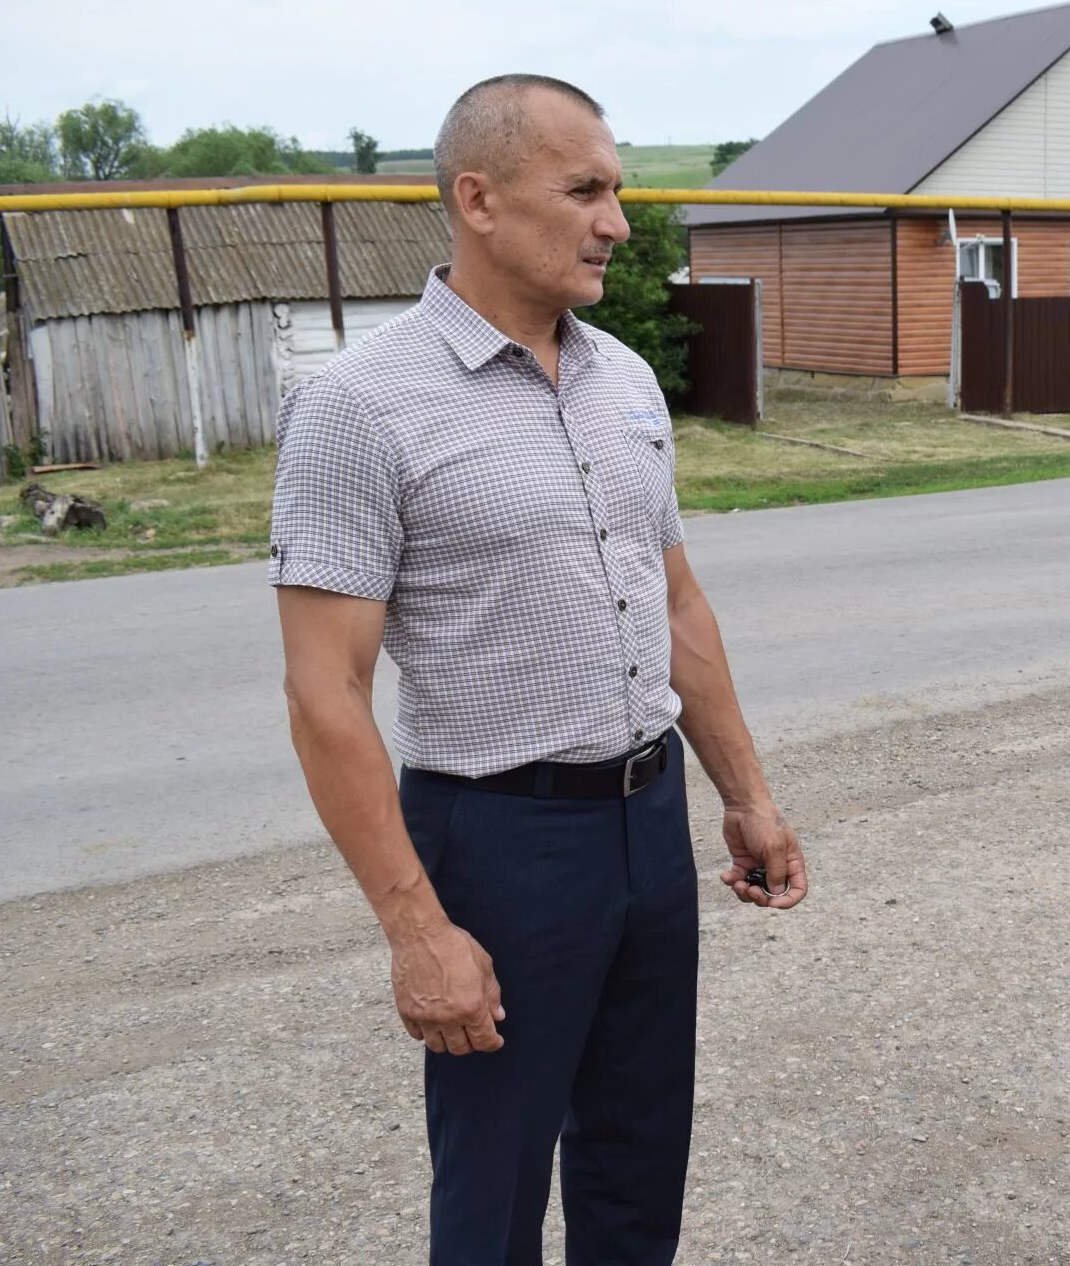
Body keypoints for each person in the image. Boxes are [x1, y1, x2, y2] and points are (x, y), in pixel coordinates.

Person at [271, 73, 805, 1265]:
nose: (617, 220)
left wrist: (746, 795)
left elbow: (673, 598)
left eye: (616, 189)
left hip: (646, 816)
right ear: (479, 199)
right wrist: (418, 928)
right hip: (498, 840)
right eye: (586, 190)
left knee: (636, 1157)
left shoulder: (621, 377)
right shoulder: (362, 407)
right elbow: (324, 693)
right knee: (494, 1182)